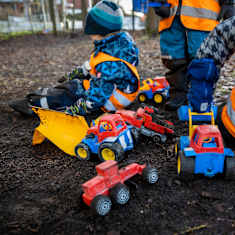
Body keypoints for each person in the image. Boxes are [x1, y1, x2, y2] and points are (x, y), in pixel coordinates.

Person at [9, 0, 140, 120]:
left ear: (99, 30)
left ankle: (34, 105)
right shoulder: (121, 45)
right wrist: (73, 75)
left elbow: (96, 98)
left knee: (69, 94)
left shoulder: (109, 63)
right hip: (120, 91)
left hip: (111, 101)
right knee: (74, 84)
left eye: (91, 32)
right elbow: (94, 66)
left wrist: (74, 110)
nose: (89, 36)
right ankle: (48, 94)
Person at [150, 0, 234, 111]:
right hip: (170, 16)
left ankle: (200, 99)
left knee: (202, 63)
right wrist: (156, 3)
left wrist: (228, 2)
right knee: (174, 60)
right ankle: (178, 96)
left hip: (201, 17)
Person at [187, 16, 235, 147]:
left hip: (208, 57)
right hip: (208, 58)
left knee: (202, 81)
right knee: (203, 82)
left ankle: (202, 110)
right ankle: (201, 110)